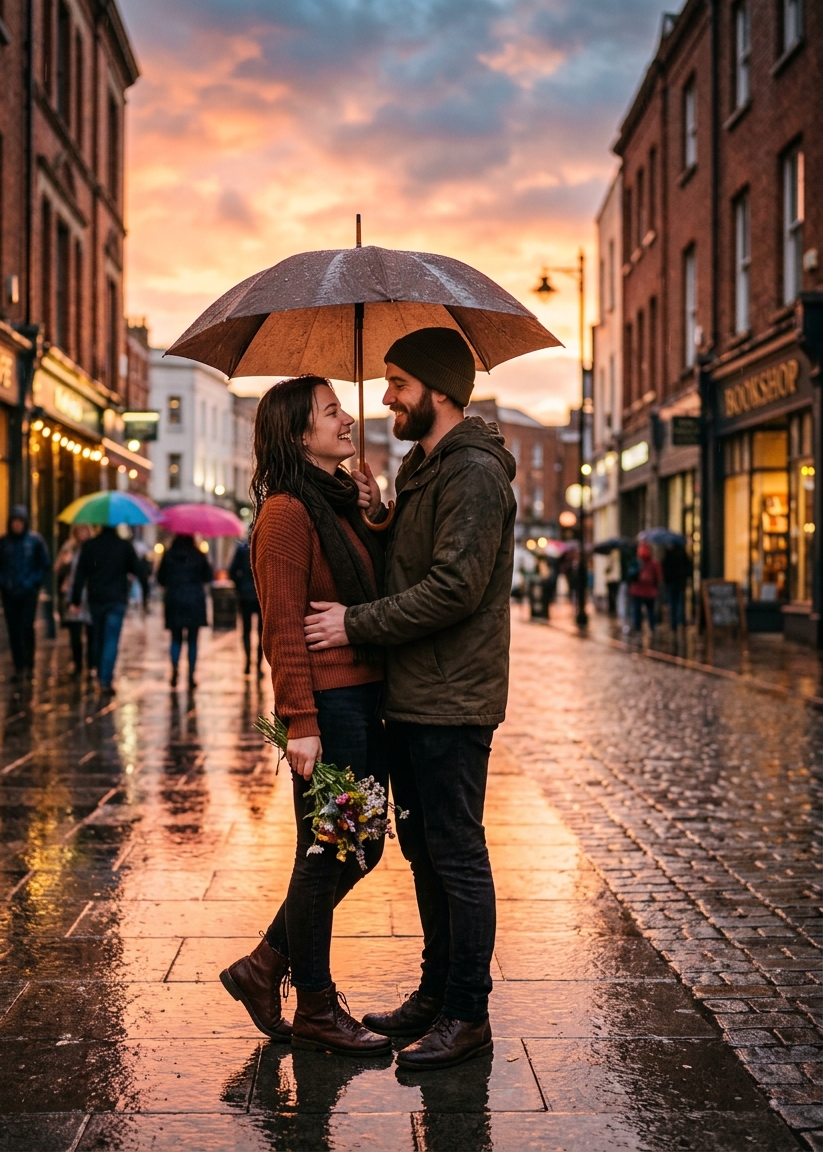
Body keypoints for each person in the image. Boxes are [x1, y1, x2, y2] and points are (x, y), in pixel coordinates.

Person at [304, 327, 517, 1070]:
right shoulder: (426, 465)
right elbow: (413, 559)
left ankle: (468, 1014)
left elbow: (456, 586)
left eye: (397, 382)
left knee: (456, 852)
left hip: (453, 696)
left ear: (438, 389)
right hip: (417, 692)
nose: (386, 397)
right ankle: (434, 995)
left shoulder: (473, 473)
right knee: (425, 852)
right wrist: (379, 512)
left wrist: (353, 623)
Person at [220, 375, 391, 1058]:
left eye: (341, 408)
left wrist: (376, 512)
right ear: (299, 435)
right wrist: (301, 720)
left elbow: (372, 584)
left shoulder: (337, 502)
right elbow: (283, 627)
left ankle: (265, 966)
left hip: (361, 702)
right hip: (330, 707)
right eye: (331, 412)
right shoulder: (287, 514)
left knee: (359, 845)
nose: (347, 419)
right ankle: (315, 1004)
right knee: (327, 853)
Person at [71, 525, 142, 693]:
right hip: (116, 599)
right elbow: (138, 569)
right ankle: (105, 678)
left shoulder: (89, 546)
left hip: (96, 599)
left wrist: (75, 598)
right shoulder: (124, 545)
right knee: (111, 639)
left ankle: (99, 671)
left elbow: (80, 573)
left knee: (98, 636)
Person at [0, 505, 51, 677]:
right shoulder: (3, 542)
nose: (17, 525)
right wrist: (3, 583)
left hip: (28, 592)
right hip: (10, 592)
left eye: (20, 522)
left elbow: (44, 565)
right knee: (13, 629)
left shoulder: (35, 541)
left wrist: (32, 582)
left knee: (26, 626)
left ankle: (28, 663)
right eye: (14, 522)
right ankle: (18, 665)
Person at [157, 534, 213, 688]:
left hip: (174, 600)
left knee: (176, 638)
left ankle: (174, 670)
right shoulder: (199, 555)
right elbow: (208, 576)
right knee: (193, 641)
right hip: (194, 600)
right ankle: (191, 676)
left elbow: (160, 578)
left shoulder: (168, 555)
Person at [55, 524, 95, 676]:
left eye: (84, 529)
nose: (81, 533)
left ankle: (91, 664)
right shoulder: (69, 547)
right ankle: (77, 663)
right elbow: (58, 568)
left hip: (90, 593)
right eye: (78, 530)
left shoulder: (93, 547)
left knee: (91, 632)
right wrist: (64, 562)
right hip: (73, 592)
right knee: (75, 631)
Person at [229, 535, 263, 675]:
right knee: (262, 632)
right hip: (261, 596)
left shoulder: (242, 549)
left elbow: (232, 571)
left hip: (245, 596)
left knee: (246, 631)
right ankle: (259, 667)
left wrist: (239, 586)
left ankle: (248, 662)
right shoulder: (263, 547)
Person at [628, 542, 662, 634]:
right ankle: (651, 628)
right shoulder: (653, 563)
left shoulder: (636, 562)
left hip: (638, 591)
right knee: (650, 610)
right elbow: (659, 578)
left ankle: (638, 628)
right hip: (649, 592)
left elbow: (630, 577)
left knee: (638, 611)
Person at [661, 542, 692, 631]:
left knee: (673, 603)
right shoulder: (683, 555)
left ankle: (674, 623)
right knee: (680, 602)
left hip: (671, 583)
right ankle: (681, 621)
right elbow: (688, 568)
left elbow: (664, 569)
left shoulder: (668, 555)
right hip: (680, 582)